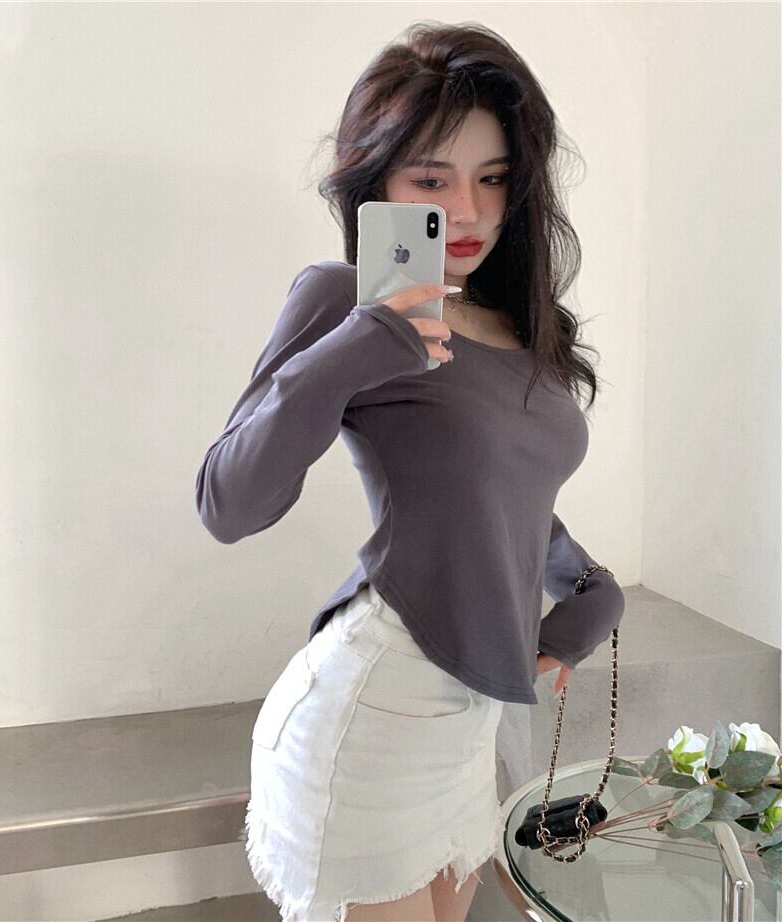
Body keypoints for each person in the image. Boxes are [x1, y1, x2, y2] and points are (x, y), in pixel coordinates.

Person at [195, 20, 625, 922]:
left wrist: (588, 587)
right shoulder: (340, 299)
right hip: (374, 714)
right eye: (431, 181)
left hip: (467, 731)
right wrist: (361, 342)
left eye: (493, 178)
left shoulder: (523, 326)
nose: (466, 211)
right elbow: (228, 502)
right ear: (378, 185)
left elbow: (497, 497)